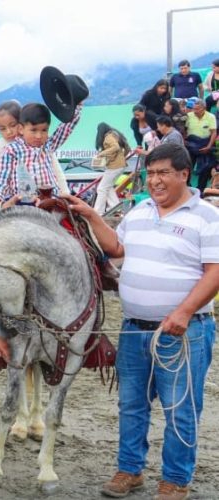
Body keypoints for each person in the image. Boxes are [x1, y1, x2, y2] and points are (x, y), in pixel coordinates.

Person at [62, 143, 218, 500]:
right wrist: (92, 216)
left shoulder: (207, 217)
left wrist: (183, 312)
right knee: (131, 405)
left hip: (183, 332)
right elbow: (117, 249)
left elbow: (215, 272)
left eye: (164, 173)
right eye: (151, 173)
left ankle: (175, 480)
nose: (155, 181)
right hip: (134, 328)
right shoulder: (140, 210)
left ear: (184, 174)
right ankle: (130, 470)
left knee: (180, 409)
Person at [0, 102, 83, 204]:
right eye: (33, 130)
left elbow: (66, 128)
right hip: (25, 202)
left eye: (44, 130)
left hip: (50, 198)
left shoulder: (48, 145)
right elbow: (3, 178)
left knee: (73, 210)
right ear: (21, 129)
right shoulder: (11, 150)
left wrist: (76, 106)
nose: (39, 136)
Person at [93, 123, 128, 214]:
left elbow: (115, 147)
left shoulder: (108, 137)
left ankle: (98, 212)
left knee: (101, 188)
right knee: (108, 188)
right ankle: (115, 208)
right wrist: (122, 158)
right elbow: (128, 148)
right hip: (119, 166)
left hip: (114, 166)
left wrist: (101, 153)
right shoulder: (116, 135)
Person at [183, 97, 216, 190]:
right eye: (194, 109)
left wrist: (209, 146)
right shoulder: (189, 116)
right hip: (191, 145)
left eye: (197, 109)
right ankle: (186, 187)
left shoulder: (211, 117)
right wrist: (184, 140)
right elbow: (183, 129)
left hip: (205, 145)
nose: (195, 111)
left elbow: (213, 132)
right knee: (187, 167)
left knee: (205, 168)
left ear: (204, 108)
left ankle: (201, 188)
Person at [132, 80, 169, 145]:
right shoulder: (149, 94)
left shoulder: (167, 96)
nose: (163, 90)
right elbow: (141, 104)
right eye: (161, 88)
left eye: (165, 89)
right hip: (149, 117)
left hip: (161, 118)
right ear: (157, 86)